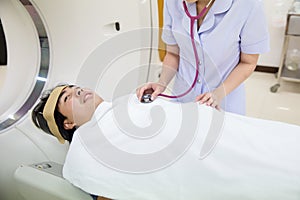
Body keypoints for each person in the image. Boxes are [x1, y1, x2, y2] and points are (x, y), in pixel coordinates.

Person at [32, 84, 300, 200]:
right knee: (271, 166)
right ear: (68, 124)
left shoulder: (126, 101)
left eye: (74, 87)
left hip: (217, 129)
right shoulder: (84, 146)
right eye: (67, 98)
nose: (77, 90)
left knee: (273, 139)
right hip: (200, 157)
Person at [136, 0, 270, 115]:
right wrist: (161, 83)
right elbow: (173, 53)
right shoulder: (172, 2)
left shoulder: (247, 5)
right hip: (183, 101)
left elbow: (248, 63)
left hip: (224, 103)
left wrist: (218, 94)